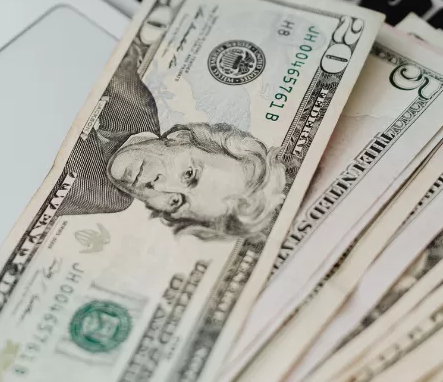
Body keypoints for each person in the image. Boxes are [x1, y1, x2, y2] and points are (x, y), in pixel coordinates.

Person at [57, 41, 296, 246]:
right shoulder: (135, 102)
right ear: (181, 138)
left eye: (176, 202)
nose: (160, 187)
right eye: (189, 174)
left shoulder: (105, 197)